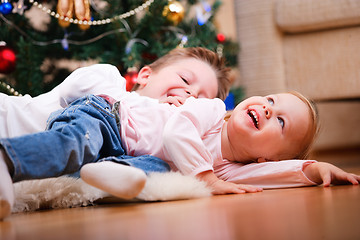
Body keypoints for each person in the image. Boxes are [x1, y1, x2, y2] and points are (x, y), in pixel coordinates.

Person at [0, 46, 232, 220]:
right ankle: (7, 158)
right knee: (82, 140)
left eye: (201, 99)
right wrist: (122, 99)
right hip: (7, 118)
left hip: (106, 152)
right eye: (184, 79)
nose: (190, 93)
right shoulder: (111, 83)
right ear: (145, 75)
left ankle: (109, 170)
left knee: (159, 167)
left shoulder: (159, 141)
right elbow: (71, 92)